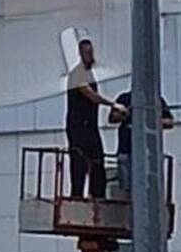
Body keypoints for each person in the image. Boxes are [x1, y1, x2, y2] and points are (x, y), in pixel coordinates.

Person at [65, 38, 124, 199]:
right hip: (78, 127)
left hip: (90, 126)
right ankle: (77, 194)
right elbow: (91, 96)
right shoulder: (77, 75)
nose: (90, 57)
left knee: (97, 160)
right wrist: (112, 104)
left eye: (91, 53)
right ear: (80, 53)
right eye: (87, 53)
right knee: (79, 162)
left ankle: (97, 194)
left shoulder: (88, 74)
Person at [108, 89, 175, 196]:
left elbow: (169, 122)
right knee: (126, 186)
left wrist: (150, 120)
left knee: (149, 186)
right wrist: (125, 114)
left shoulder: (156, 100)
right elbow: (112, 118)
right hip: (126, 151)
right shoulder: (124, 98)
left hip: (149, 154)